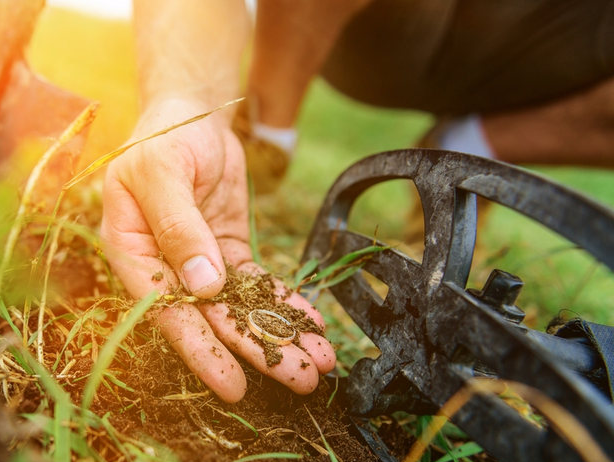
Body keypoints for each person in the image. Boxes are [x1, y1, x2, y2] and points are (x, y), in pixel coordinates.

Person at [100, 0, 614, 403]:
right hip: (378, 32)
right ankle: (267, 127)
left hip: (561, 57)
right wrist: (186, 102)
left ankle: (482, 141)